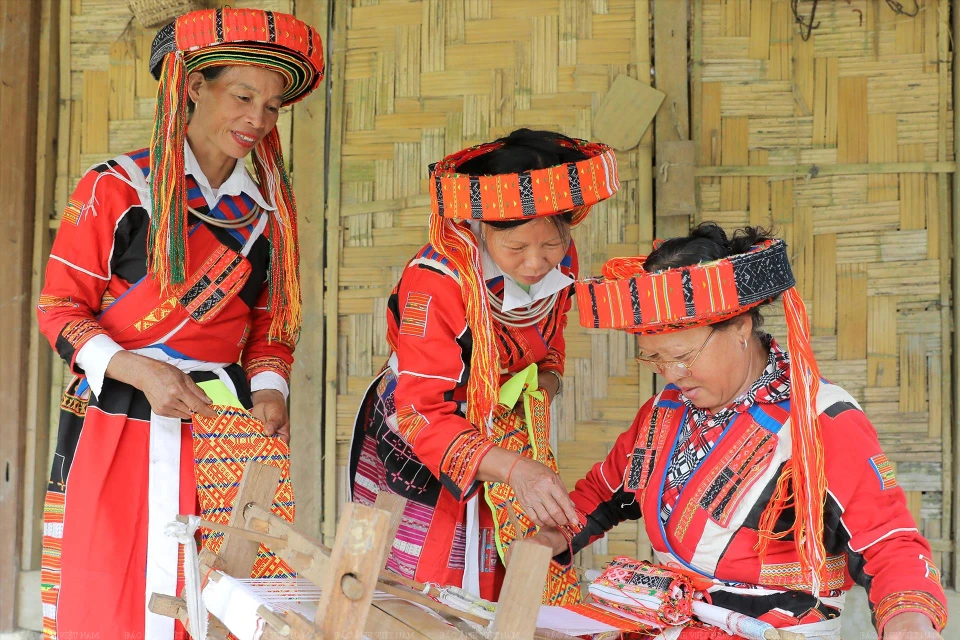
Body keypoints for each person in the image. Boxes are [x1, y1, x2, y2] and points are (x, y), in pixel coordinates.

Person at [36, 8, 324, 640]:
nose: (258, 119)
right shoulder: (116, 189)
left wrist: (270, 390)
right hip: (118, 414)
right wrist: (139, 370)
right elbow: (59, 309)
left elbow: (272, 323)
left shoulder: (263, 214)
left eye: (273, 107)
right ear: (193, 87)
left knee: (222, 592)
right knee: (115, 588)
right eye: (243, 96)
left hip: (221, 424)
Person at [531, 224, 947, 639]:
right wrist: (551, 537)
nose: (672, 375)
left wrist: (909, 618)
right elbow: (605, 493)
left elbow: (890, 542)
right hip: (666, 622)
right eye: (654, 359)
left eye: (682, 356)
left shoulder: (819, 419)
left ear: (742, 327)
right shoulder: (666, 410)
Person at [348, 129, 619, 602]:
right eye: (516, 249)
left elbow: (549, 339)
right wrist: (514, 467)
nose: (536, 263)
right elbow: (420, 410)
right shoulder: (437, 281)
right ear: (482, 226)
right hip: (424, 432)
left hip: (507, 434)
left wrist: (544, 387)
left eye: (551, 245)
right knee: (428, 590)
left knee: (508, 577)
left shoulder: (561, 260)